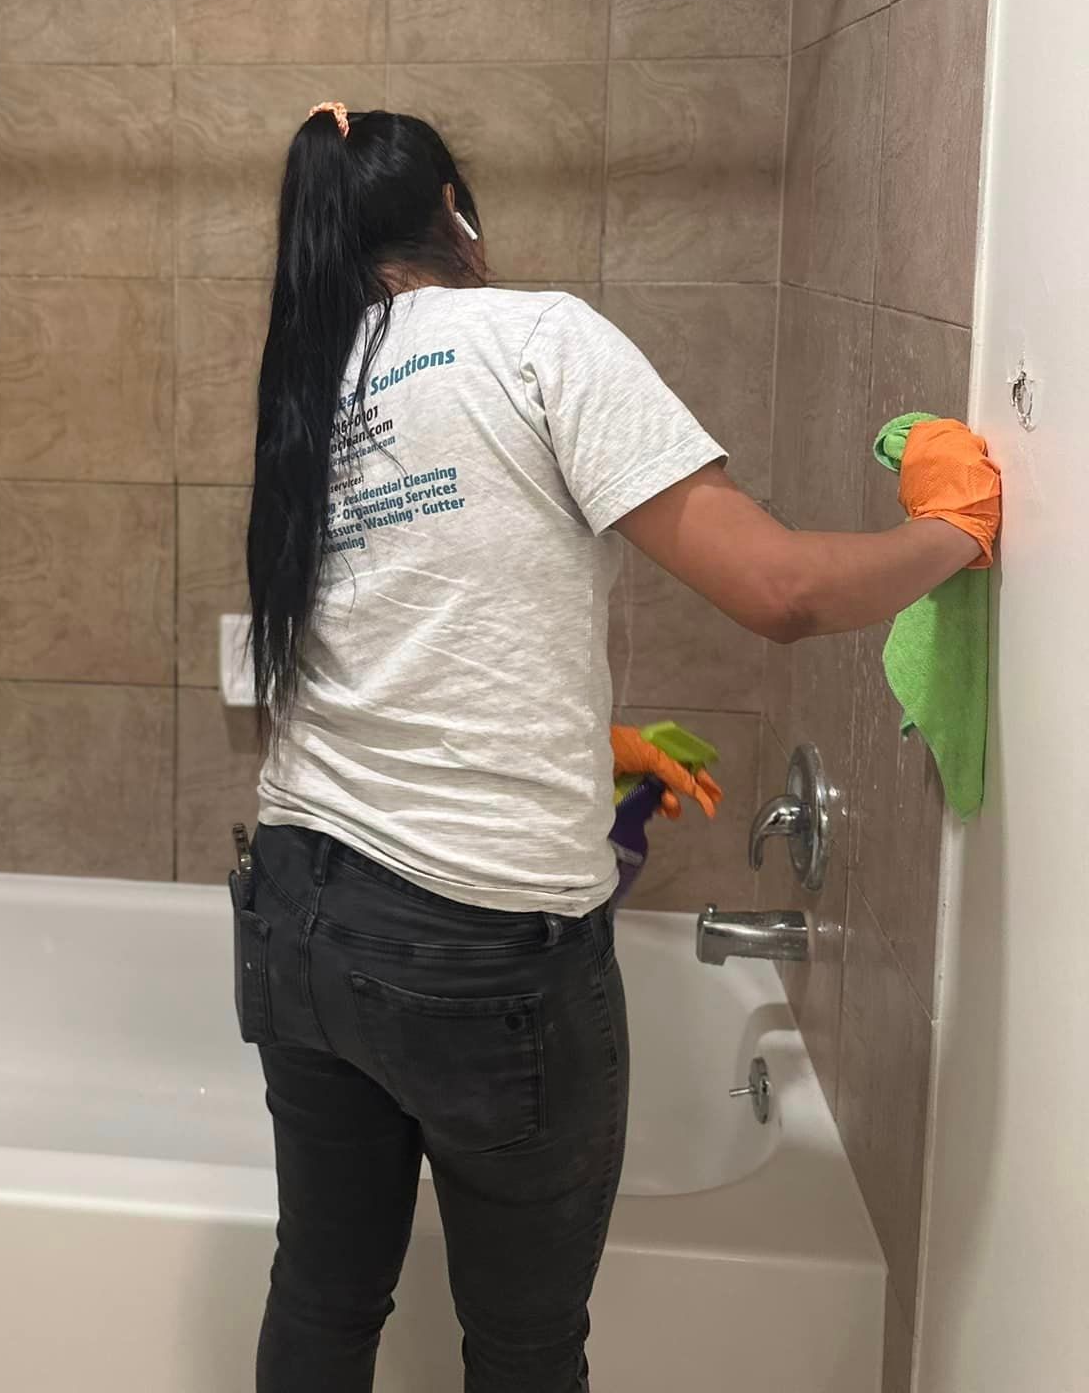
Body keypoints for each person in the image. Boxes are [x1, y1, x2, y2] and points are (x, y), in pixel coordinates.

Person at [238, 104, 1001, 1393]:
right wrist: (954, 532)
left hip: (302, 909)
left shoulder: (315, 380)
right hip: (482, 948)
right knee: (526, 1343)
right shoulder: (538, 338)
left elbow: (395, 637)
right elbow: (782, 594)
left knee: (324, 1299)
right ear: (459, 223)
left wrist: (583, 741)